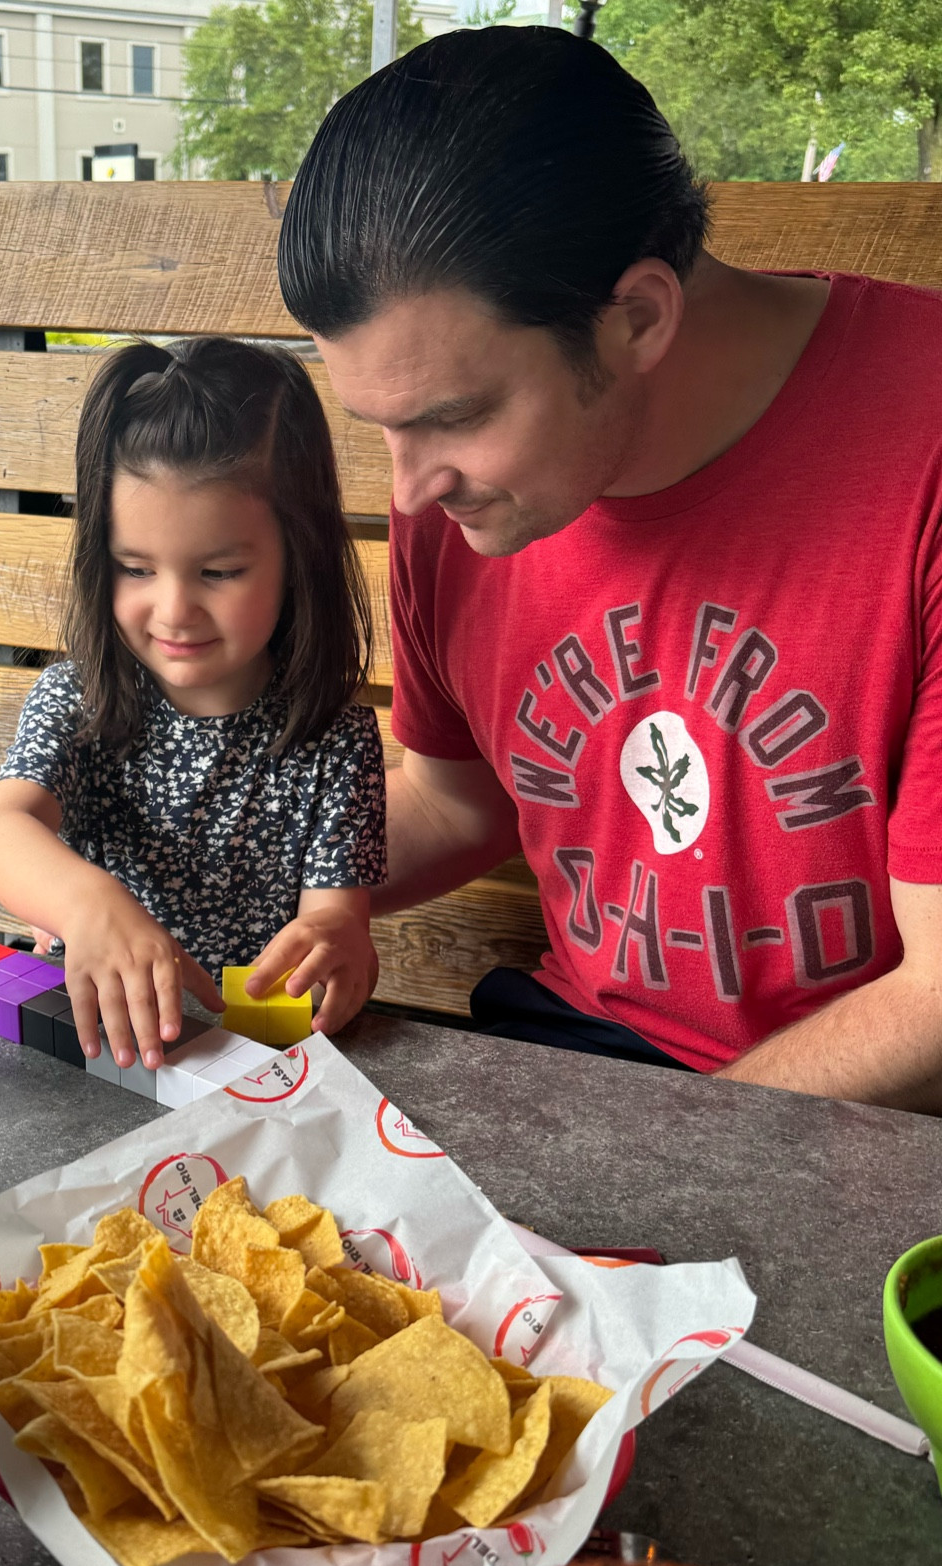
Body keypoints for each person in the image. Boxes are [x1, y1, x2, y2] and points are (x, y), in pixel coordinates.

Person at [278, 27, 942, 1110]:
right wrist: (188, 882)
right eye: (382, 426)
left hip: (862, 1126)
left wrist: (654, 1172)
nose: (411, 489)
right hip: (574, 1060)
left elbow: (936, 1000)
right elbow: (455, 802)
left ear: (637, 318)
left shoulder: (924, 448)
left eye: (456, 416)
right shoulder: (461, 497)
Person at [0, 337, 387, 1072]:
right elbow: (3, 831)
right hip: (94, 1040)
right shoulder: (79, 699)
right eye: (135, 568)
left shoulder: (337, 739)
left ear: (299, 559)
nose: (173, 610)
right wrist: (86, 904)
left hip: (248, 1057)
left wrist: (339, 948)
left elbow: (334, 919)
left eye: (219, 572)